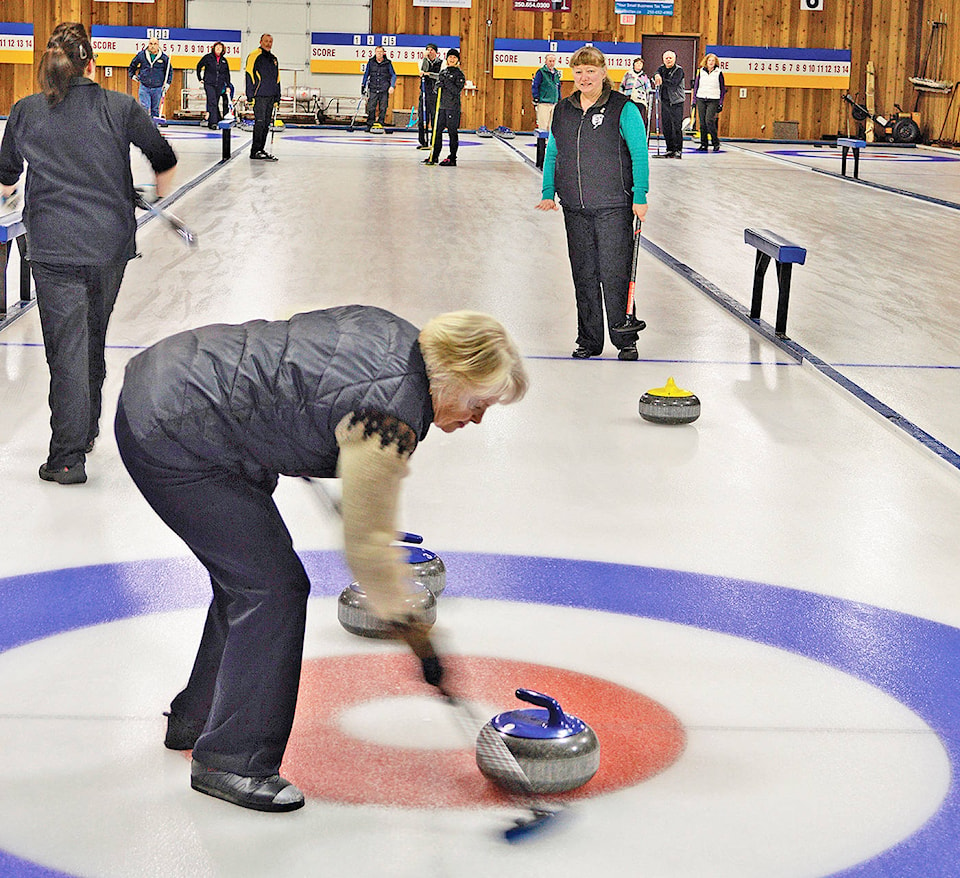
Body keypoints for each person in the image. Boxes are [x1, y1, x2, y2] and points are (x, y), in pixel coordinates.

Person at [113, 306, 528, 812]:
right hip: (176, 430)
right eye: (478, 402)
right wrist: (417, 633)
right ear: (454, 373)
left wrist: (291, 428)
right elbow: (369, 545)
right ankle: (232, 760)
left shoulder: (395, 334)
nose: (477, 419)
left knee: (247, 580)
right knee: (272, 589)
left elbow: (301, 364)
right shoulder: (388, 415)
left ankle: (196, 718)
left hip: (174, 384)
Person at [0, 22, 177, 485]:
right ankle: (88, 429)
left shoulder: (24, 112)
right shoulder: (120, 106)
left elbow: (5, 177)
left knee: (67, 347)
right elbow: (163, 157)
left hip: (53, 246)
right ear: (92, 65)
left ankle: (67, 455)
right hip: (108, 245)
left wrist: (15, 193)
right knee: (91, 334)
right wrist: (153, 197)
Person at [535, 45, 649, 362]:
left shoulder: (623, 108)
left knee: (614, 274)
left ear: (603, 73)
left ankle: (625, 339)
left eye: (591, 71)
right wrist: (548, 191)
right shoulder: (563, 110)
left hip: (614, 206)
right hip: (575, 207)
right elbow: (554, 154)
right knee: (583, 274)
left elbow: (639, 153)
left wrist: (640, 194)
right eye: (579, 71)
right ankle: (589, 339)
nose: (585, 77)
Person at [424, 49, 465, 167]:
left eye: (454, 58)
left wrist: (446, 83)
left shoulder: (459, 75)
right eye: (450, 57)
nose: (452, 59)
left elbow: (456, 91)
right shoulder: (443, 72)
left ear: (458, 60)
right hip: (441, 107)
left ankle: (452, 158)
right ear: (447, 59)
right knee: (436, 132)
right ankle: (434, 155)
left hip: (453, 107)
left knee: (452, 132)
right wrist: (438, 86)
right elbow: (436, 88)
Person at [245, 34, 281, 161]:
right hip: (259, 96)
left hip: (271, 96)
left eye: (270, 41)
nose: (268, 43)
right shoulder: (254, 55)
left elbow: (277, 79)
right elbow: (249, 75)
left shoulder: (273, 59)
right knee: (259, 123)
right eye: (266, 41)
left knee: (266, 124)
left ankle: (261, 149)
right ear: (261, 41)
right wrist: (250, 96)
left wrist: (277, 97)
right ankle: (254, 151)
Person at [128, 36, 173, 122]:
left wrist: (167, 83)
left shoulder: (164, 58)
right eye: (151, 44)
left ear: (158, 45)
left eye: (155, 44)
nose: (152, 46)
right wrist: (132, 75)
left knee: (155, 110)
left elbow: (169, 71)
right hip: (144, 87)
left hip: (157, 88)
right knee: (144, 108)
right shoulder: (142, 55)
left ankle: (153, 130)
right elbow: (132, 65)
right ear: (148, 45)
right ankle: (144, 129)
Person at [653, 51, 686, 158]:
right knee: (666, 126)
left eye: (670, 58)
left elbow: (674, 83)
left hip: (676, 102)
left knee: (676, 126)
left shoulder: (679, 70)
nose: (668, 59)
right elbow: (656, 73)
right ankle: (669, 149)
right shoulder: (661, 69)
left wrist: (661, 80)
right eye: (666, 58)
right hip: (665, 101)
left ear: (674, 59)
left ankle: (678, 150)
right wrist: (657, 75)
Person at [693, 53, 725, 152]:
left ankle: (716, 143)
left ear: (715, 63)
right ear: (706, 62)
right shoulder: (701, 72)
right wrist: (694, 100)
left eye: (713, 61)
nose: (711, 63)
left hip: (713, 99)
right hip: (701, 98)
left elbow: (722, 88)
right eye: (709, 61)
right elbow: (696, 86)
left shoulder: (718, 72)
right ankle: (704, 144)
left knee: (709, 121)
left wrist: (720, 102)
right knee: (702, 123)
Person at [197, 41, 232, 131]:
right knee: (212, 101)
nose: (218, 49)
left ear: (222, 50)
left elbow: (227, 74)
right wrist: (200, 78)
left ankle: (215, 120)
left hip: (219, 84)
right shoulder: (208, 57)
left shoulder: (224, 61)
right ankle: (213, 122)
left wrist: (228, 85)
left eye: (220, 48)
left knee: (215, 102)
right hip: (209, 83)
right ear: (213, 48)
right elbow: (199, 66)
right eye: (217, 48)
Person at [361, 45, 396, 131]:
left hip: (384, 88)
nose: (379, 54)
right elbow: (366, 74)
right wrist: (363, 84)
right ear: (375, 53)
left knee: (383, 107)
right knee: (371, 107)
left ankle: (380, 124)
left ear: (383, 53)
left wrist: (392, 86)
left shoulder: (388, 63)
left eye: (381, 52)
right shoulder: (371, 62)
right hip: (373, 87)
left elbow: (393, 75)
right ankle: (369, 125)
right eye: (377, 52)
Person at [417, 43, 442, 149]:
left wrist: (429, 74)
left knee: (435, 119)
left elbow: (440, 76)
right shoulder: (423, 61)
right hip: (424, 93)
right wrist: (425, 59)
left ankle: (434, 142)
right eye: (428, 50)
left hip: (435, 94)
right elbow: (423, 70)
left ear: (436, 52)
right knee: (422, 118)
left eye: (432, 50)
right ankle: (423, 141)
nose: (430, 52)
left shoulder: (441, 63)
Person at [619, 56, 652, 133]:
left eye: (640, 64)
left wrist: (646, 101)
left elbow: (648, 89)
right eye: (637, 63)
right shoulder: (628, 74)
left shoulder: (644, 76)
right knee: (628, 115)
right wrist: (621, 97)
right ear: (634, 64)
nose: (639, 65)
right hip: (628, 98)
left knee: (638, 116)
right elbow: (622, 85)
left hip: (639, 100)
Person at [531, 54, 561, 133]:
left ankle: (549, 143)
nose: (551, 63)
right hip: (544, 102)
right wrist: (536, 97)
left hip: (554, 102)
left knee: (552, 125)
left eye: (553, 61)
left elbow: (558, 87)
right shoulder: (541, 72)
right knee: (543, 125)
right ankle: (542, 143)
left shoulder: (556, 73)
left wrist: (559, 98)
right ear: (546, 61)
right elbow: (535, 85)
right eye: (550, 61)